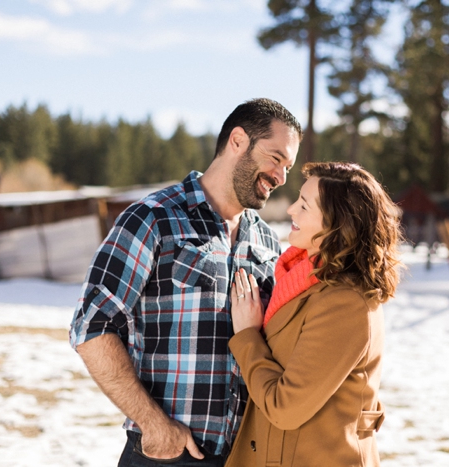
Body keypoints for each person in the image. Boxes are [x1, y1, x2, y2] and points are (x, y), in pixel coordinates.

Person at [69, 98, 301, 466]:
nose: (281, 176)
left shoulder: (268, 243)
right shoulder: (153, 219)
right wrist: (153, 423)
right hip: (169, 453)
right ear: (238, 141)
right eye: (276, 158)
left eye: (288, 166)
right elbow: (91, 327)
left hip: (246, 456)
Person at [226, 162, 402, 467]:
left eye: (304, 206)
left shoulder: (345, 304)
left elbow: (286, 407)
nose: (292, 210)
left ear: (337, 223)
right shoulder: (300, 281)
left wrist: (247, 337)